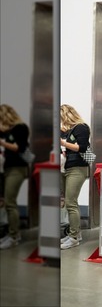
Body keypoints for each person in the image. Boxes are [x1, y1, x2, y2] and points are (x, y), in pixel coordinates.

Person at [59, 104, 91, 250]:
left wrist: (63, 143)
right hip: (66, 167)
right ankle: (75, 234)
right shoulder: (65, 131)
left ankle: (73, 238)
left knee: (71, 203)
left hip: (78, 168)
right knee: (69, 202)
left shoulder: (81, 127)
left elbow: (82, 147)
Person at [0, 104, 30, 250]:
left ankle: (14, 236)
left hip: (18, 169)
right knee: (7, 201)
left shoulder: (20, 128)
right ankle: (12, 233)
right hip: (8, 168)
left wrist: (2, 143)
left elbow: (20, 148)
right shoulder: (5, 131)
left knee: (10, 202)